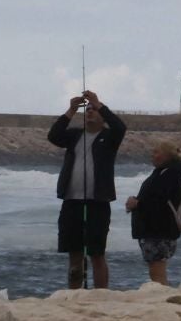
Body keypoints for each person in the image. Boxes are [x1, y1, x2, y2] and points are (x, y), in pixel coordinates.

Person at [48, 90, 127, 289]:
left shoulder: (109, 138)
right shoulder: (74, 136)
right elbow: (53, 135)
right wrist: (72, 109)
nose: (89, 112)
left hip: (97, 203)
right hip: (71, 202)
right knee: (74, 253)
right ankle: (74, 293)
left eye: (93, 110)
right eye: (87, 110)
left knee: (96, 254)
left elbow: (120, 127)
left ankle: (101, 294)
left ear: (102, 115)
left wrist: (99, 104)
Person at [126, 141, 181, 285]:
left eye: (156, 152)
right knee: (156, 268)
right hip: (158, 229)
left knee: (157, 271)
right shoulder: (165, 172)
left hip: (159, 230)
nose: (152, 155)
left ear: (168, 155)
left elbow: (159, 201)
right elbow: (156, 198)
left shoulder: (170, 173)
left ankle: (163, 298)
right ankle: (163, 296)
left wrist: (137, 203)